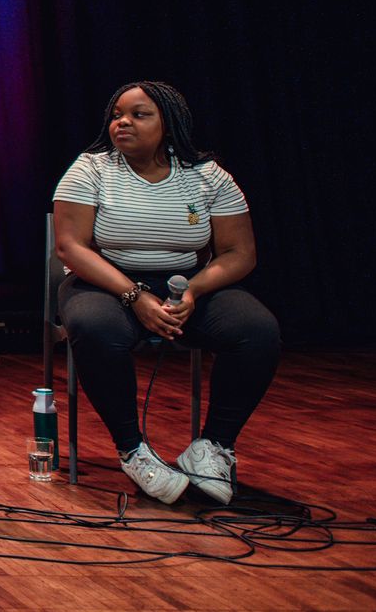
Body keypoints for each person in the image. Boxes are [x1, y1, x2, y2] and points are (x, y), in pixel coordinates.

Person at [52, 80, 278, 505]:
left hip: (186, 281)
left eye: (139, 115)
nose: (122, 122)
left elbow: (239, 253)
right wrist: (135, 296)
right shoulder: (91, 168)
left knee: (257, 330)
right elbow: (71, 247)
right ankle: (133, 450)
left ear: (168, 125)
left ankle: (212, 448)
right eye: (117, 114)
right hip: (104, 281)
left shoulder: (208, 176)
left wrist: (192, 290)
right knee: (94, 328)